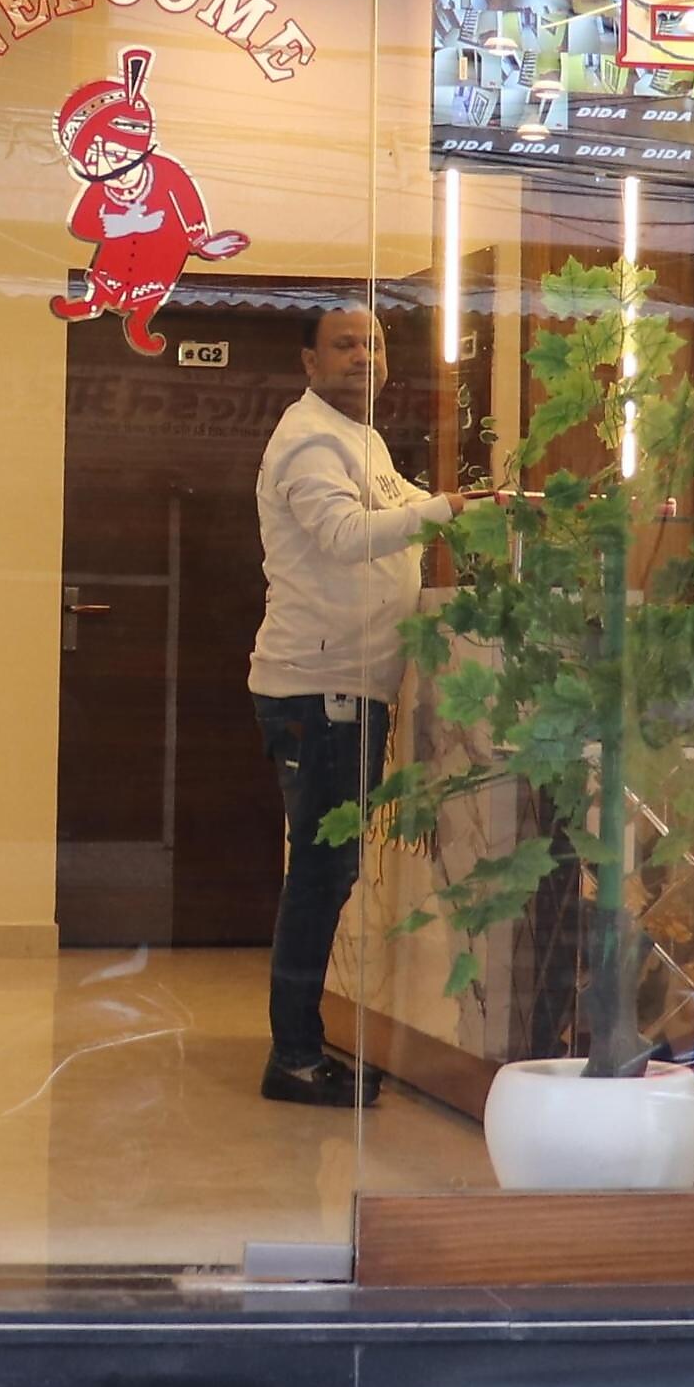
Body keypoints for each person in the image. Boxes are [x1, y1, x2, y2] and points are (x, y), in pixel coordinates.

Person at [246, 299, 459, 1107]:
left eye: (373, 344)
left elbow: (400, 507)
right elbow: (343, 536)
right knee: (320, 875)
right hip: (318, 691)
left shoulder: (358, 438)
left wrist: (472, 505)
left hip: (346, 689)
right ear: (310, 362)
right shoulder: (308, 440)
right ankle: (295, 1058)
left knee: (326, 873)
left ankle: (300, 1047)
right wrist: (445, 512)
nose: (364, 357)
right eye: (345, 345)